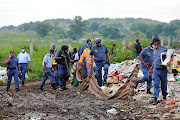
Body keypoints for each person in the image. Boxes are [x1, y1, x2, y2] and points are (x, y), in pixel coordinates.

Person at [148, 37, 173, 105]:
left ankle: (164, 95)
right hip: (156, 70)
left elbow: (171, 56)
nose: (153, 45)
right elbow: (154, 61)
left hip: (163, 70)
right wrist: (150, 69)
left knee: (163, 84)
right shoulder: (155, 51)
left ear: (156, 42)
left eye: (153, 43)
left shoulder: (164, 49)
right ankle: (155, 98)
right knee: (156, 84)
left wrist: (170, 62)